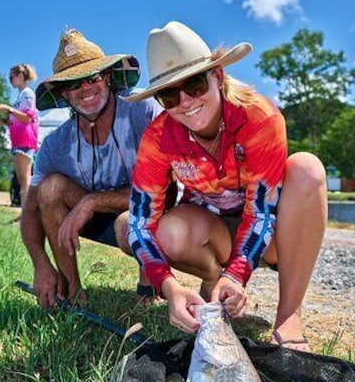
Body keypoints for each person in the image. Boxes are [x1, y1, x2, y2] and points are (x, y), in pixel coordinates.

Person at [125, 21, 327, 351]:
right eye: (169, 95)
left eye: (194, 85)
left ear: (217, 76)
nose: (186, 102)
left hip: (271, 232)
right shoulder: (158, 138)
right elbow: (138, 223)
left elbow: (262, 211)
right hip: (212, 230)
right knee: (168, 231)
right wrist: (169, 287)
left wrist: (237, 274)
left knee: (307, 168)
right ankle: (211, 280)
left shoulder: (258, 115)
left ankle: (289, 315)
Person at [21, 28, 161, 308]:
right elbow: (30, 211)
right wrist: (41, 264)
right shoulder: (54, 145)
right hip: (90, 219)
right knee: (49, 189)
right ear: (63, 93)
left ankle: (148, 287)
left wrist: (93, 200)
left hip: (144, 213)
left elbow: (161, 191)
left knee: (131, 223)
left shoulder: (142, 110)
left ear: (107, 77)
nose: (86, 88)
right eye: (73, 83)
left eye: (93, 77)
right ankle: (72, 291)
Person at [0, 63, 40, 207]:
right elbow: (19, 121)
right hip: (19, 142)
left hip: (25, 142)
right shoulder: (20, 96)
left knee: (24, 181)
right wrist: (6, 122)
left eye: (11, 77)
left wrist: (8, 109)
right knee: (23, 181)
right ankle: (25, 214)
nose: (10, 80)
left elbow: (28, 118)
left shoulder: (27, 93)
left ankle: (26, 216)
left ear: (20, 76)